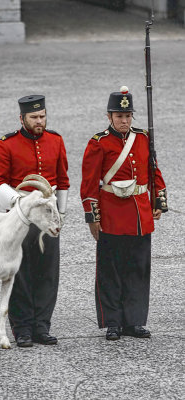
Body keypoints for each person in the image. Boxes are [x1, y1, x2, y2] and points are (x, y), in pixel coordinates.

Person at [80, 86, 168, 341]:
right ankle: (114, 322)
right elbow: (88, 184)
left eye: (128, 116)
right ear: (109, 117)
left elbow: (154, 172)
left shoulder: (142, 138)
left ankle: (135, 320)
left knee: (138, 269)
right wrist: (92, 216)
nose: (124, 120)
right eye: (119, 116)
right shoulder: (98, 143)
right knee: (111, 271)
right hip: (112, 214)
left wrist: (159, 200)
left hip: (140, 214)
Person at [0, 95, 70, 347]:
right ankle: (22, 327)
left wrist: (61, 213)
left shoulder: (55, 140)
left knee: (47, 271)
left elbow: (63, 180)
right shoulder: (7, 144)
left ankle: (42, 325)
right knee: (20, 273)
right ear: (22, 118)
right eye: (34, 117)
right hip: (20, 215)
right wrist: (18, 204)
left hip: (47, 215)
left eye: (42, 116)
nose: (39, 121)